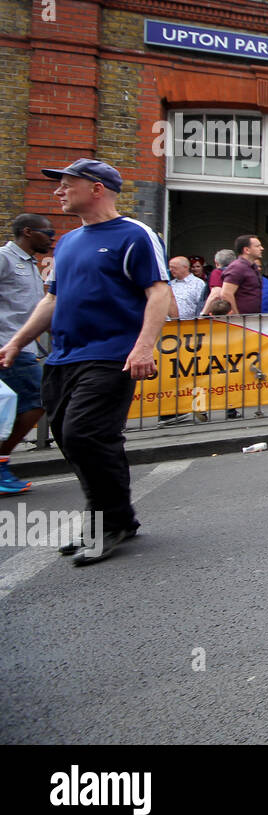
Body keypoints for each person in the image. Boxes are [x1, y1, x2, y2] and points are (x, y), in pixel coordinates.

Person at [0, 159, 171, 565]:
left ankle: (107, 524)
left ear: (96, 188)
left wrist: (143, 347)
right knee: (72, 439)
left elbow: (158, 292)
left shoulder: (135, 234)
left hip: (111, 356)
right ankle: (118, 518)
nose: (58, 191)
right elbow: (52, 300)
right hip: (63, 358)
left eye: (66, 183)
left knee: (83, 435)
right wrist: (16, 342)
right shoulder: (70, 242)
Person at [0, 214, 57, 494]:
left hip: (25, 347)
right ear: (27, 232)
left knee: (22, 405)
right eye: (48, 231)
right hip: (9, 346)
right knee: (38, 399)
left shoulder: (30, 264)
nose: (52, 237)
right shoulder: (4, 259)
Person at [216, 234, 264, 315]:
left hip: (252, 319)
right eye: (257, 246)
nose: (262, 248)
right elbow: (226, 294)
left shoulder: (253, 267)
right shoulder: (237, 267)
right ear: (247, 250)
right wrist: (237, 315)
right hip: (241, 321)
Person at [167, 256, 206, 320]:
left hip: (189, 325)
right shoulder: (170, 284)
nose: (171, 269)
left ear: (185, 267)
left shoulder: (198, 284)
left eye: (174, 267)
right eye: (170, 267)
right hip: (169, 325)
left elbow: (202, 306)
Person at [199, 248, 236, 316]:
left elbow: (216, 294)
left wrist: (203, 314)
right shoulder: (240, 273)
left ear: (216, 263)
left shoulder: (218, 273)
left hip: (221, 316)